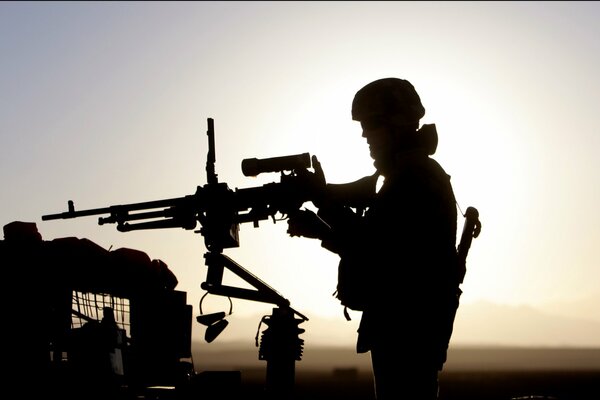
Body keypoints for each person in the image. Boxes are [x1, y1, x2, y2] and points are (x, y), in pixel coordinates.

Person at [287, 78, 461, 399]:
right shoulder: (400, 177)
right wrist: (320, 222)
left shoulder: (415, 179)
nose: (365, 135)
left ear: (397, 124)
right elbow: (377, 247)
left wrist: (321, 202)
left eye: (372, 125)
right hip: (402, 327)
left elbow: (374, 246)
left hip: (407, 330)